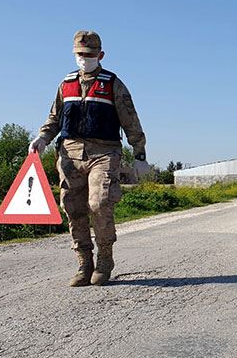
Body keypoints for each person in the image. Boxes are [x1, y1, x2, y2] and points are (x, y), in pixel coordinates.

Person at [28, 30, 150, 287]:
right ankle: (84, 263)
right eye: (80, 55)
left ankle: (105, 260)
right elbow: (54, 119)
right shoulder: (66, 84)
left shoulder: (113, 83)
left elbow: (130, 119)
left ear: (100, 55)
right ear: (74, 55)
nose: (85, 59)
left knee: (100, 203)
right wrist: (42, 138)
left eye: (90, 54)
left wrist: (139, 153)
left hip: (104, 152)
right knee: (73, 208)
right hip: (70, 154)